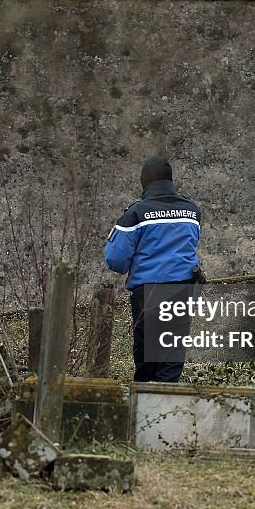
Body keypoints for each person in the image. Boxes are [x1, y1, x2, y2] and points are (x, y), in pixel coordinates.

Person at [105, 155, 202, 383]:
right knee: (171, 361)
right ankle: (165, 413)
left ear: (144, 181)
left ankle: (144, 414)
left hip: (148, 294)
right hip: (183, 292)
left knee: (147, 363)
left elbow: (115, 260)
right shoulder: (192, 211)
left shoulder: (136, 214)